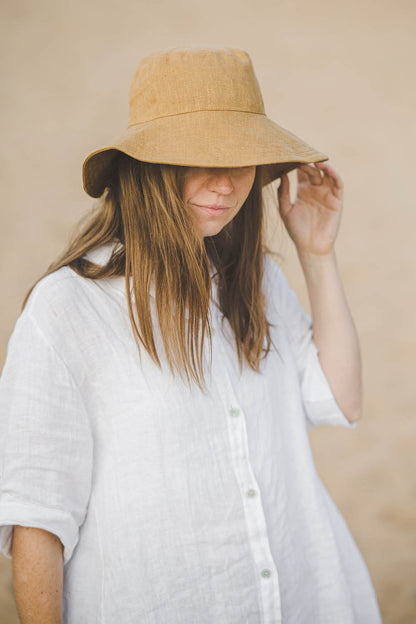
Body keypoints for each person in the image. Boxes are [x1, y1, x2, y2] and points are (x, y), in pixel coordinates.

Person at [0, 47, 382, 623]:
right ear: (147, 166)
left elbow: (340, 399)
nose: (225, 183)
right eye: (198, 155)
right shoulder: (68, 309)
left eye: (241, 157)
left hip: (310, 596)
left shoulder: (255, 280)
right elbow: (38, 518)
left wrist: (318, 255)